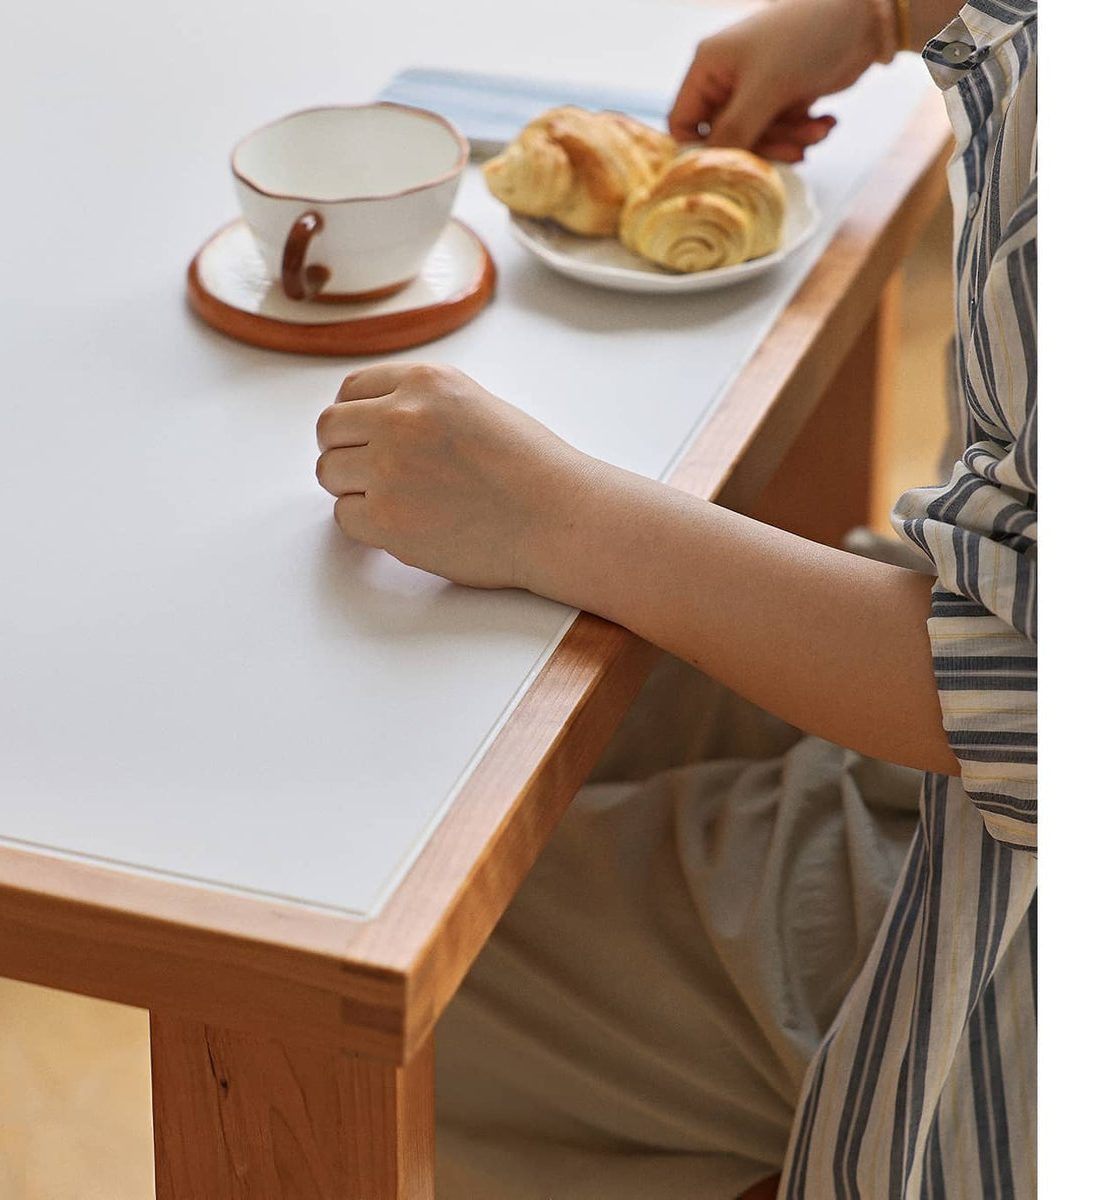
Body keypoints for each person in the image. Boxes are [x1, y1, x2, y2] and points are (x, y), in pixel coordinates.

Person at [314, 0, 1037, 1196]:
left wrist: (552, 515)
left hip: (1013, 945)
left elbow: (1025, 694)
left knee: (398, 983)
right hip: (958, 719)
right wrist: (886, 16)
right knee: (484, 719)